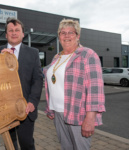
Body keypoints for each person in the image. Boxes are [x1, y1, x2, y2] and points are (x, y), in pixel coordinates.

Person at [43, 19, 105, 150]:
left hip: (78, 114)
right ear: (59, 36)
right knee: (66, 147)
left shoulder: (87, 54)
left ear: (78, 35)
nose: (66, 36)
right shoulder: (56, 58)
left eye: (71, 32)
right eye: (63, 32)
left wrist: (90, 118)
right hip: (58, 112)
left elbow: (95, 88)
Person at [0, 17, 43, 150]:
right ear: (6, 34)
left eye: (17, 30)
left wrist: (32, 101)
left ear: (23, 34)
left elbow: (37, 79)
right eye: (11, 30)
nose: (14, 33)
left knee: (27, 144)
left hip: (25, 108)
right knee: (9, 145)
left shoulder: (33, 53)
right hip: (4, 110)